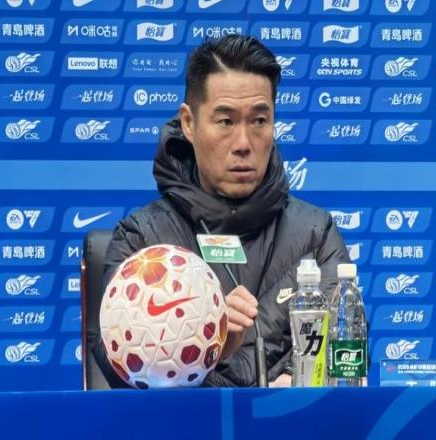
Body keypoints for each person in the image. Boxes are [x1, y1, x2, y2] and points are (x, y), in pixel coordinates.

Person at [95, 35, 350, 387]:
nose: (243, 144)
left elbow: (344, 349)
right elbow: (118, 363)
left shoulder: (315, 234)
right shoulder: (142, 240)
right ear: (189, 123)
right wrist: (202, 346)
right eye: (226, 122)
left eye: (259, 121)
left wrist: (292, 382)